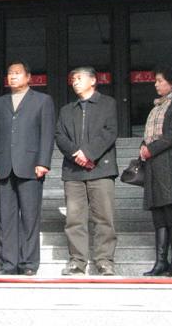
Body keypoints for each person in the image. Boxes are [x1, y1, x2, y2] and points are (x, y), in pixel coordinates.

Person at [0, 60, 55, 275]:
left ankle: (28, 264)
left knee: (30, 217)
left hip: (31, 166)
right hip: (4, 165)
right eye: (10, 73)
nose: (12, 76)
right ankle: (8, 264)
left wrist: (43, 161)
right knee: (6, 218)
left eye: (17, 73)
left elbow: (47, 133)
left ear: (28, 77)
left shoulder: (42, 101)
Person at [55, 67, 118, 276]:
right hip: (73, 171)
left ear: (93, 80)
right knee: (74, 219)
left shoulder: (108, 103)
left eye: (79, 78)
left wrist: (89, 153)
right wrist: (77, 154)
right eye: (73, 79)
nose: (75, 82)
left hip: (101, 169)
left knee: (104, 217)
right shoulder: (67, 110)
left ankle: (104, 260)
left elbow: (110, 132)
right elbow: (60, 136)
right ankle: (77, 261)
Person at [140, 65, 172, 277]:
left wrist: (150, 149)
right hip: (154, 167)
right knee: (158, 216)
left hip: (170, 166)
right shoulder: (156, 107)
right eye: (156, 81)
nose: (156, 84)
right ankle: (161, 261)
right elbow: (149, 135)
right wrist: (143, 148)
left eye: (160, 81)